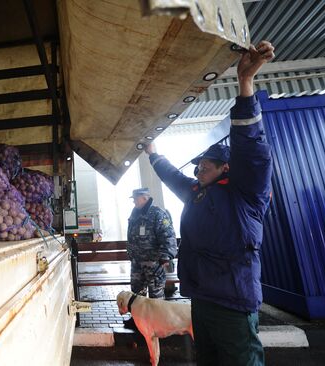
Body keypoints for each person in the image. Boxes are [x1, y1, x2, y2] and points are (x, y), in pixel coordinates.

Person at [144, 41, 275, 365]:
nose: (200, 168)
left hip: (233, 303)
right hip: (201, 300)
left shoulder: (247, 193)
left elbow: (253, 152)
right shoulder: (197, 192)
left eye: (207, 164)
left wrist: (245, 86)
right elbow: (174, 176)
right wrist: (153, 154)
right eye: (199, 165)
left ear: (226, 168)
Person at [126, 188, 177, 299]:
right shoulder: (134, 213)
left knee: (156, 296)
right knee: (137, 295)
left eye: (135, 198)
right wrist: (130, 253)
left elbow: (168, 235)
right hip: (137, 262)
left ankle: (157, 317)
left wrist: (166, 256)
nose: (133, 201)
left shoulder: (157, 213)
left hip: (154, 263)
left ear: (145, 198)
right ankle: (137, 317)